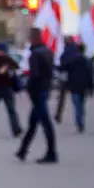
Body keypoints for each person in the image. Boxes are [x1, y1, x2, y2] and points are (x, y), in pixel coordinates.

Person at [16, 27, 57, 164]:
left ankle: (52, 153)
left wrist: (28, 87)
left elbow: (35, 75)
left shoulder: (35, 54)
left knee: (44, 123)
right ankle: (22, 150)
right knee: (33, 122)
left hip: (38, 92)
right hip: (44, 89)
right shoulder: (48, 52)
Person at [60, 42, 94, 133]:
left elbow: (64, 68)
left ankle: (79, 122)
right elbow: (90, 76)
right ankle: (80, 121)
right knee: (81, 105)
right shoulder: (87, 61)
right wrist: (91, 88)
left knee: (77, 105)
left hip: (74, 86)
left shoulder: (72, 61)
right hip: (83, 86)